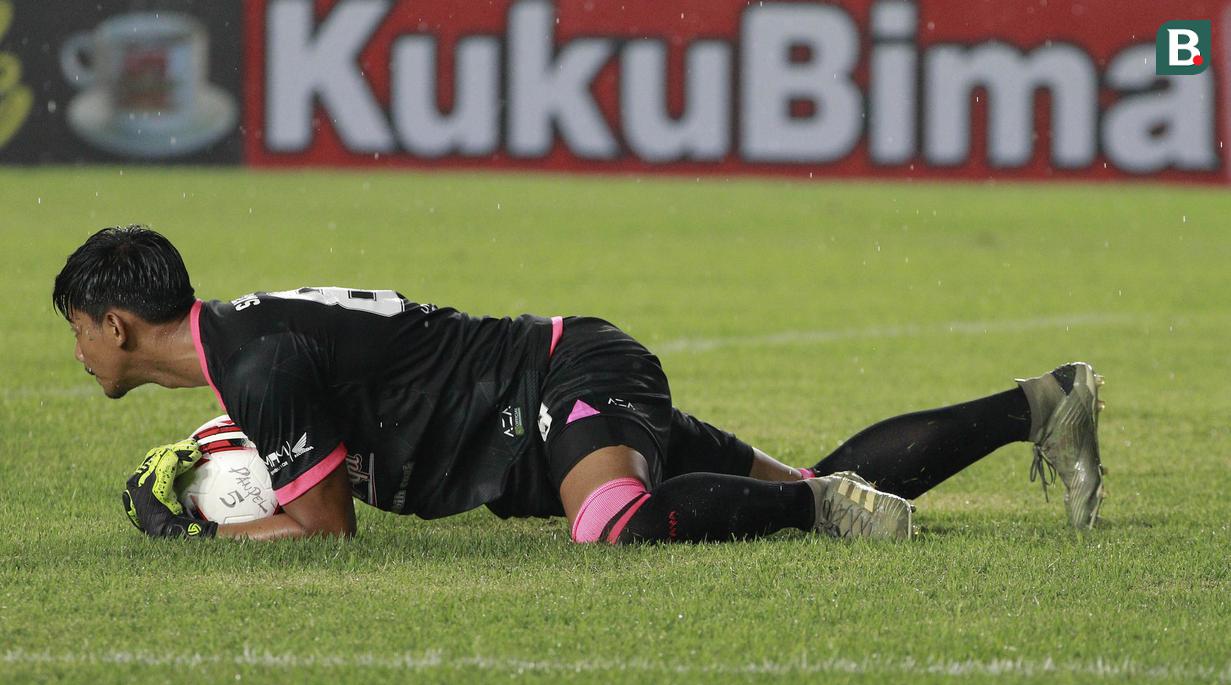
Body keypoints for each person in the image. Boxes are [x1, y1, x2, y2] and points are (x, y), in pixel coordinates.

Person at [54, 226, 1106, 544]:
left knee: (610, 523)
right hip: (541, 398)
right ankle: (1041, 404)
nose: (78, 353)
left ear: (116, 324)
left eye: (77, 333)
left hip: (556, 380)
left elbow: (324, 528)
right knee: (796, 477)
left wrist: (208, 530)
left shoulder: (256, 361)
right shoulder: (246, 344)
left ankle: (817, 512)